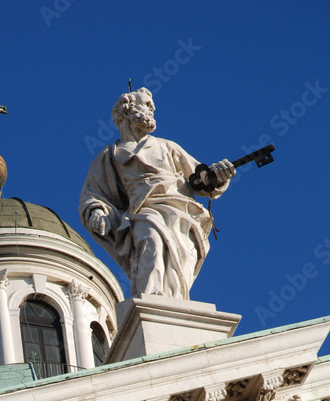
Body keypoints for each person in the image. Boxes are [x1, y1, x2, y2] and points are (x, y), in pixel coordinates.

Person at [79, 89, 235, 301]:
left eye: (152, 107)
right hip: (144, 210)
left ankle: (174, 305)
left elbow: (201, 179)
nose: (152, 110)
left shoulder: (166, 147)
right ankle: (152, 303)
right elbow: (93, 193)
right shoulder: (109, 155)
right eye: (146, 105)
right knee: (151, 241)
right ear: (127, 110)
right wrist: (97, 210)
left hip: (181, 208)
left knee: (182, 258)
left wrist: (220, 176)